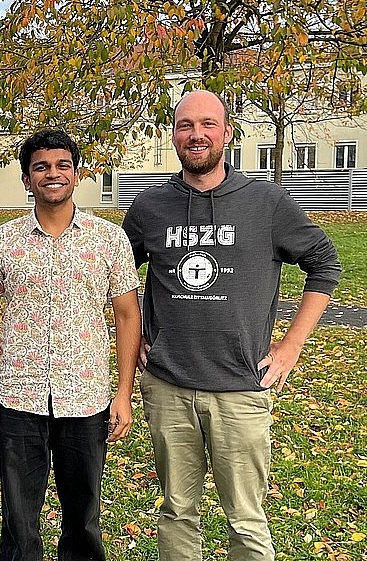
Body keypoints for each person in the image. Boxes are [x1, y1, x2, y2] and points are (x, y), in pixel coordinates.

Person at [121, 89, 341, 561]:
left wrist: (291, 346)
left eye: (206, 124)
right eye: (184, 125)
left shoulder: (266, 203)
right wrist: (137, 334)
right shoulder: (148, 209)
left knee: (245, 516)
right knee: (178, 511)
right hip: (168, 385)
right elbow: (117, 279)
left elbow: (324, 263)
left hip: (242, 385)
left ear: (227, 133)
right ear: (174, 135)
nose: (195, 135)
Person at [0, 130, 141, 561]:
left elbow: (126, 315)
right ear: (27, 178)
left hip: (85, 399)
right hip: (18, 396)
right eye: (41, 167)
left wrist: (123, 393)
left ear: (77, 173)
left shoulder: (108, 239)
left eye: (62, 165)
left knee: (83, 519)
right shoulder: (2, 241)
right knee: (19, 521)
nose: (53, 174)